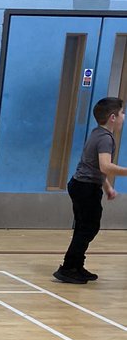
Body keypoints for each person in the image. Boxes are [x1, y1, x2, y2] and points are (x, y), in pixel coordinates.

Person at [53, 96, 127, 284]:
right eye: (121, 113)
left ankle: (76, 265)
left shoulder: (97, 133)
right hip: (85, 188)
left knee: (84, 227)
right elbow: (105, 166)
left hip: (81, 185)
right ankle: (68, 268)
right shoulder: (105, 139)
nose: (123, 117)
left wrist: (108, 187)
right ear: (112, 117)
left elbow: (93, 167)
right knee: (88, 228)